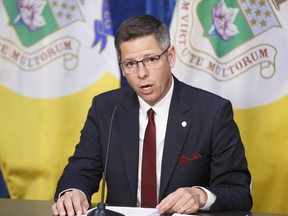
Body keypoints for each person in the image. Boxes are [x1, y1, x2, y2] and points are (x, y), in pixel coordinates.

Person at [52, 14, 252, 216]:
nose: (141, 74)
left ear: (170, 56)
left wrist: (200, 195)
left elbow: (239, 193)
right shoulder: (105, 107)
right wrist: (72, 192)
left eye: (151, 59)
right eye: (130, 64)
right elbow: (81, 169)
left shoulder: (212, 112)